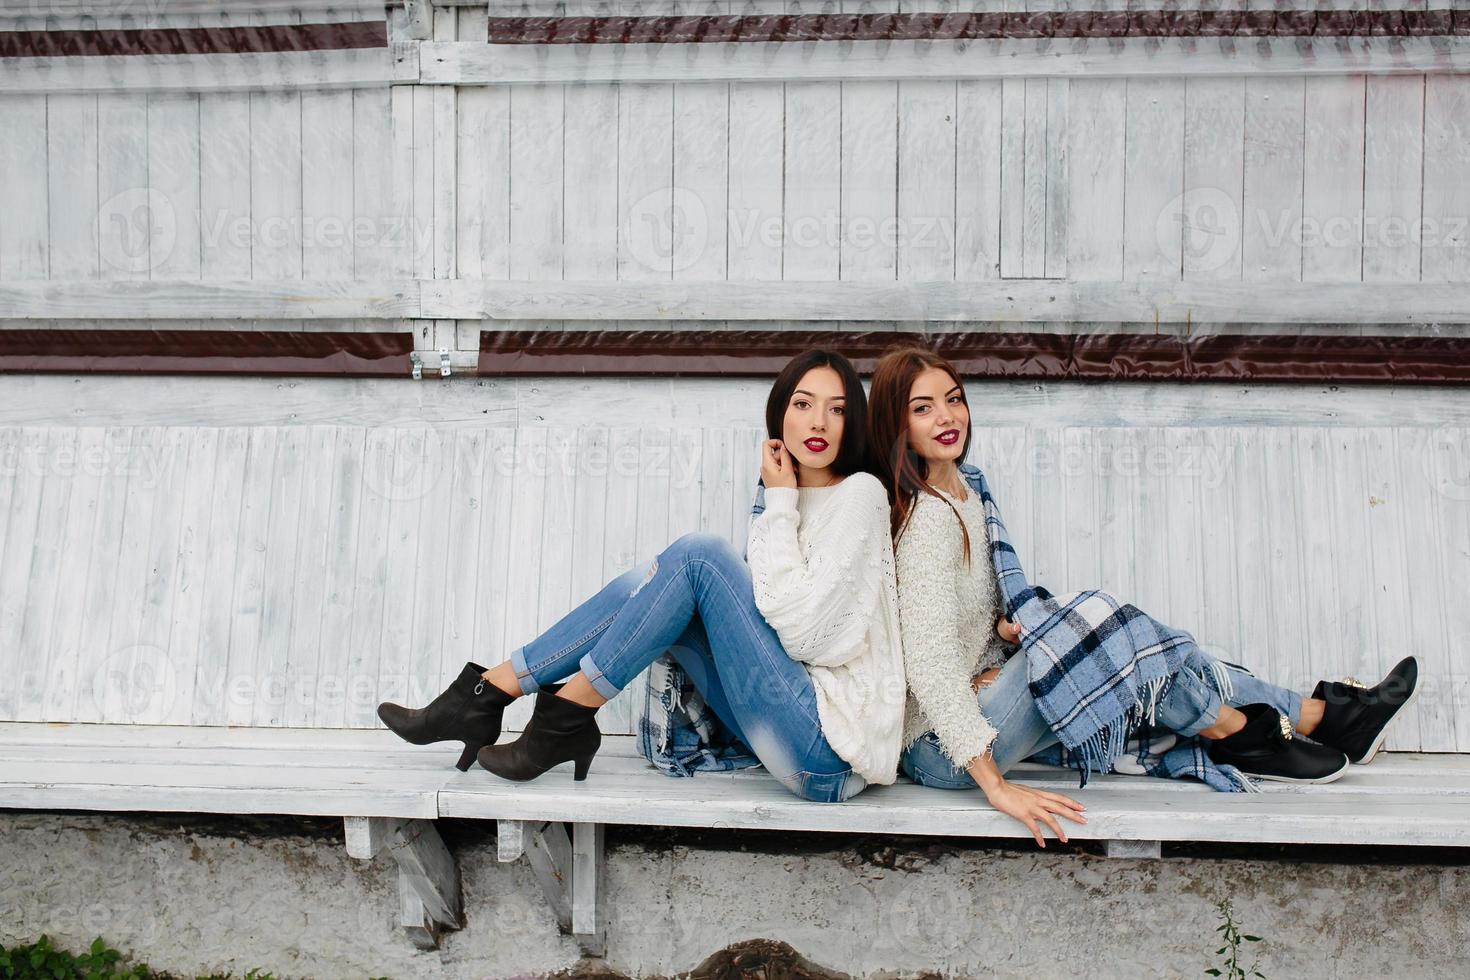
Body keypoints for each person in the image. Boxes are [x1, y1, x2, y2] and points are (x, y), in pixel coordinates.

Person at [866, 344, 1419, 846]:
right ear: (897, 423)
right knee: (1106, 629)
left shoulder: (968, 488)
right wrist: (996, 788)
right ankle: (1250, 731)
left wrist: (1003, 637)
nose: (947, 417)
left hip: (984, 701)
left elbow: (969, 613)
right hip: (947, 751)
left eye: (954, 399)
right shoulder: (928, 521)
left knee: (1142, 646)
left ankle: (1317, 718)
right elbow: (931, 664)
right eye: (923, 408)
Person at [377, 350, 907, 803]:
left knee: (700, 557)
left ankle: (564, 714)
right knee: (646, 585)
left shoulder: (860, 494)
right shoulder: (777, 499)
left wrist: (782, 499)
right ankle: (487, 692)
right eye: (803, 404)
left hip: (826, 754)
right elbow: (770, 607)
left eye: (836, 410)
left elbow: (806, 635)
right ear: (780, 416)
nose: (818, 422)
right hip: (775, 726)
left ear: (851, 423)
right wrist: (779, 500)